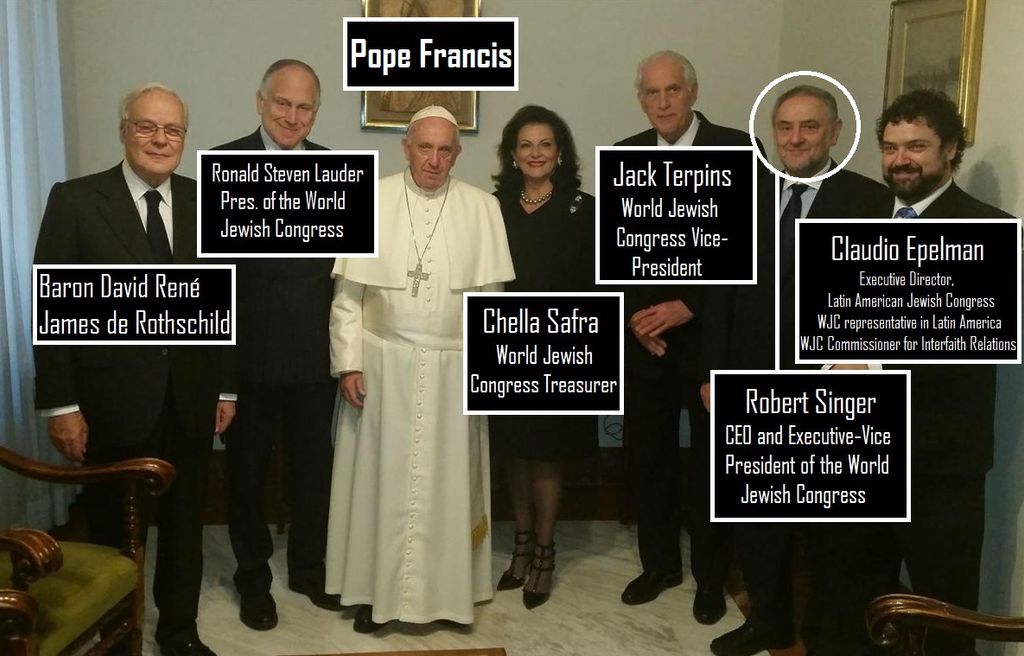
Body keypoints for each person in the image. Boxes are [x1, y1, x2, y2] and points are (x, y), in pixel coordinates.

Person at [33, 83, 235, 656]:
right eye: (147, 126)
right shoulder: (75, 200)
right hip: (111, 403)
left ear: (184, 138)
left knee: (184, 525)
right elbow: (51, 305)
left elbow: (227, 297)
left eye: (172, 130)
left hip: (189, 398)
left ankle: (180, 632)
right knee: (114, 530)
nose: (160, 139)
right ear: (124, 131)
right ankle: (117, 635)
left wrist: (225, 387)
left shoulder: (206, 199)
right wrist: (62, 406)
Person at [710, 84, 892, 656]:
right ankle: (768, 623)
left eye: (809, 127)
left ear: (834, 132)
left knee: (829, 528)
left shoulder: (871, 202)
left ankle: (824, 631)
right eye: (785, 127)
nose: (795, 138)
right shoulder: (745, 196)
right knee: (758, 522)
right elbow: (719, 293)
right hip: (751, 381)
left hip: (832, 387)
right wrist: (712, 373)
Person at [834, 88, 1011, 656]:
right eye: (890, 148)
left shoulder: (989, 227)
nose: (900, 160)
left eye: (916, 146)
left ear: (951, 149)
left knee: (944, 609)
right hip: (860, 449)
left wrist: (870, 359)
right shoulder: (859, 220)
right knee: (858, 595)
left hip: (941, 464)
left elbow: (966, 345)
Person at [324, 105, 514, 633]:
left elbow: (492, 301)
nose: (434, 159)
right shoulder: (372, 199)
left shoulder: (482, 208)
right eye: (424, 147)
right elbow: (347, 297)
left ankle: (449, 597)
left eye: (444, 149)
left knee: (449, 487)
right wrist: (349, 364)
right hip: (382, 366)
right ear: (406, 148)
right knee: (379, 484)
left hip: (456, 370)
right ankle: (372, 593)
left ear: (458, 153)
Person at [614, 49, 750, 626]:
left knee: (712, 465)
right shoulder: (626, 155)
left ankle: (711, 579)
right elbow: (618, 255)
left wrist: (686, 305)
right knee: (650, 460)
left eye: (673, 90)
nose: (663, 101)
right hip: (648, 345)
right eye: (652, 92)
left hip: (710, 342)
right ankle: (660, 565)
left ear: (693, 92)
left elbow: (748, 252)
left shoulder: (737, 149)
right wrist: (635, 320)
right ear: (641, 99)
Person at [212, 59, 340, 632]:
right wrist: (221, 377)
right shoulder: (224, 167)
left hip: (316, 362)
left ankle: (309, 570)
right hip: (247, 363)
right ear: (260, 102)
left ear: (316, 112)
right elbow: (214, 280)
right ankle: (253, 581)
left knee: (315, 474)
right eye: (282, 103)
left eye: (304, 106)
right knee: (245, 479)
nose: (292, 115)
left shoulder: (336, 173)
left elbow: (346, 275)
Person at [489, 105, 599, 609]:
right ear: (512, 154)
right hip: (504, 345)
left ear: (560, 153)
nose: (535, 153)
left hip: (565, 348)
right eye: (526, 145)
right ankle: (521, 544)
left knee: (548, 450)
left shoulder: (584, 209)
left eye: (545, 144)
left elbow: (601, 284)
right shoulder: (493, 207)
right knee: (514, 448)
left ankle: (546, 553)